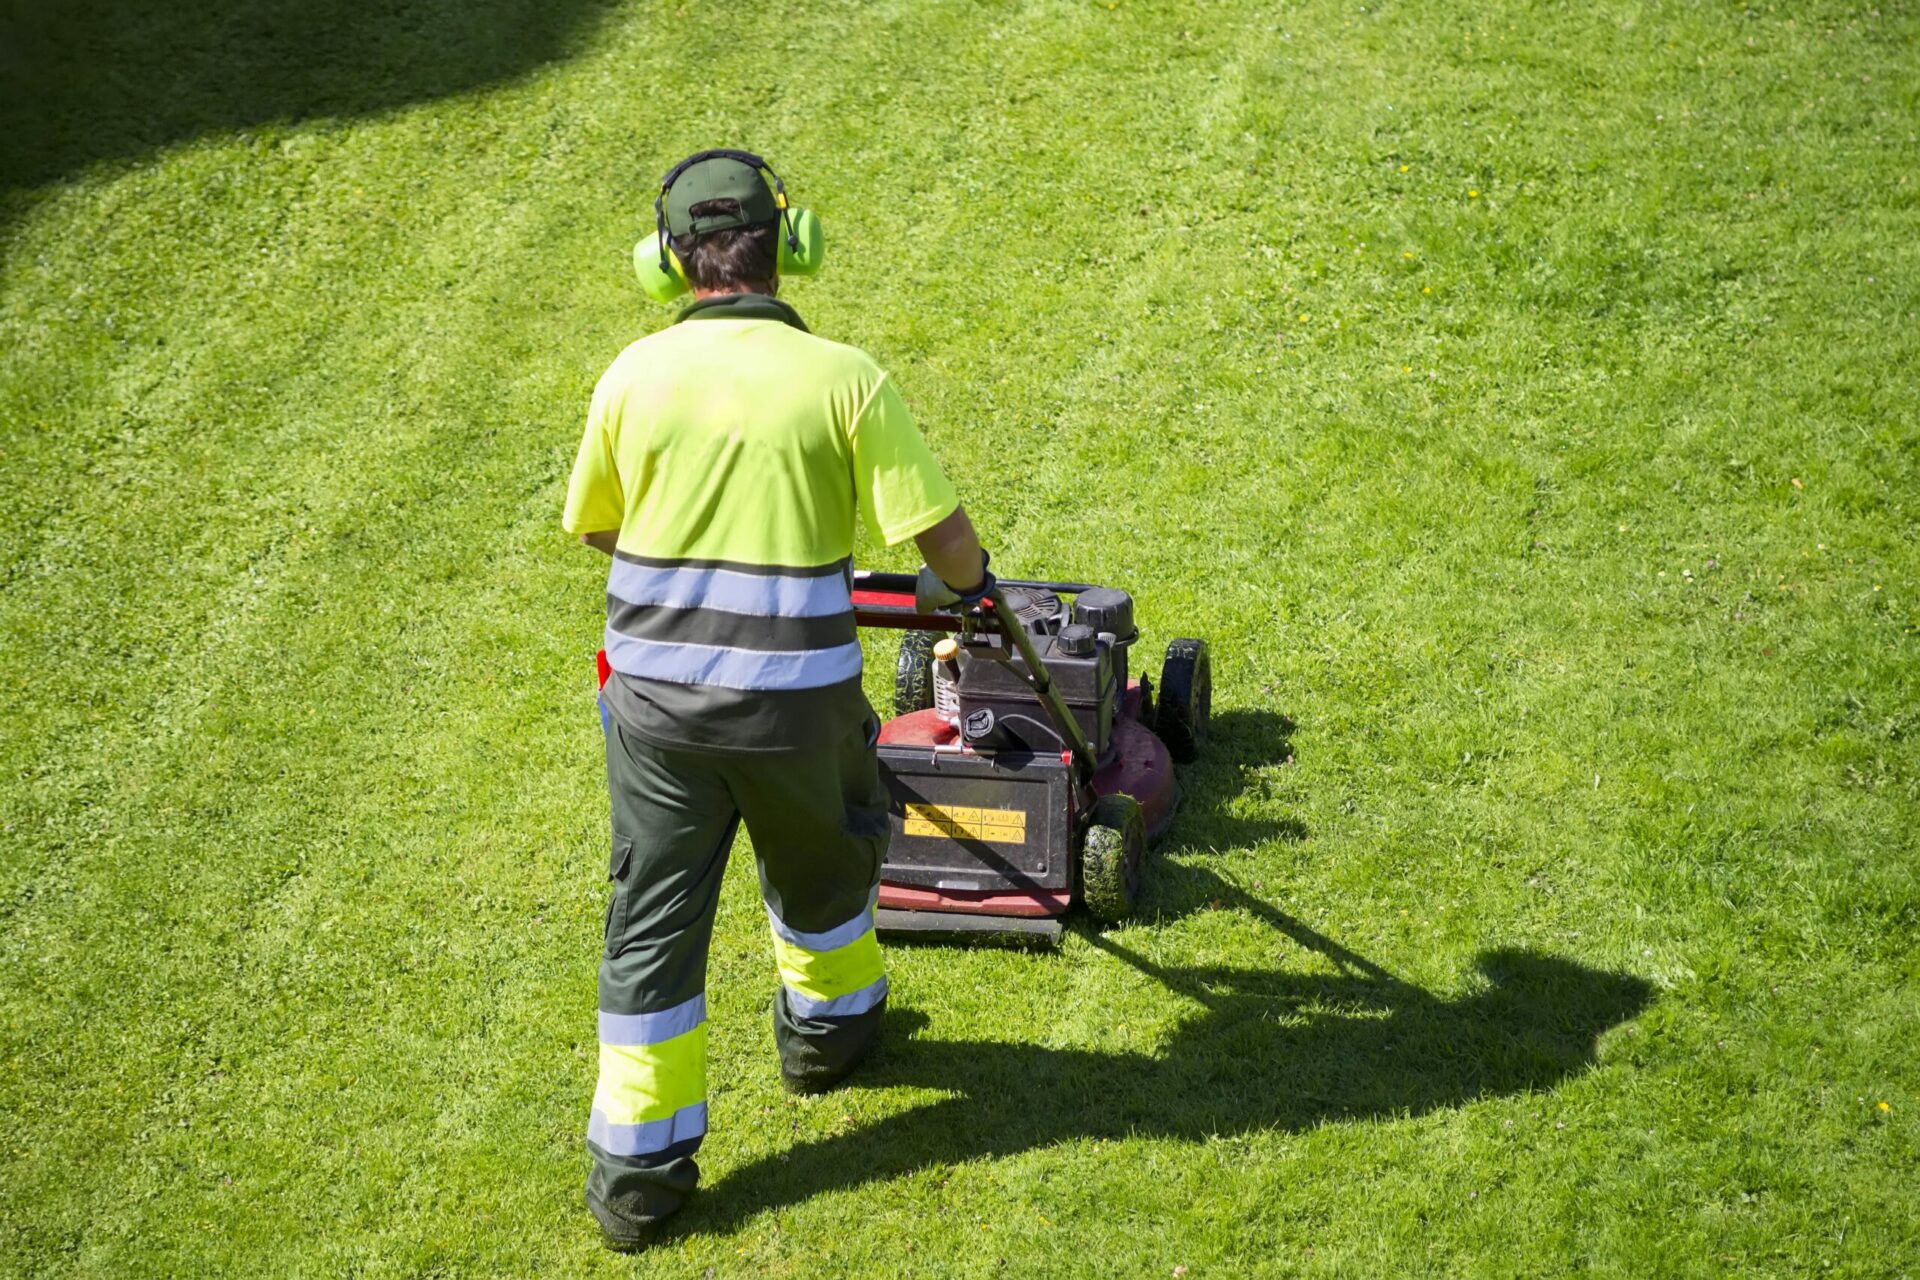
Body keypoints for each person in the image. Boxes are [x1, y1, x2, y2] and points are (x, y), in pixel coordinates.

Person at [560, 149, 992, 1251]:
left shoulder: (628, 376)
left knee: (651, 917)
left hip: (652, 710)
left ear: (668, 261)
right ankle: (829, 1036)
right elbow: (943, 546)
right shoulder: (844, 378)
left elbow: (605, 526)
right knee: (827, 861)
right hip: (798, 709)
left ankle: (637, 1178)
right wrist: (965, 591)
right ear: (788, 244)